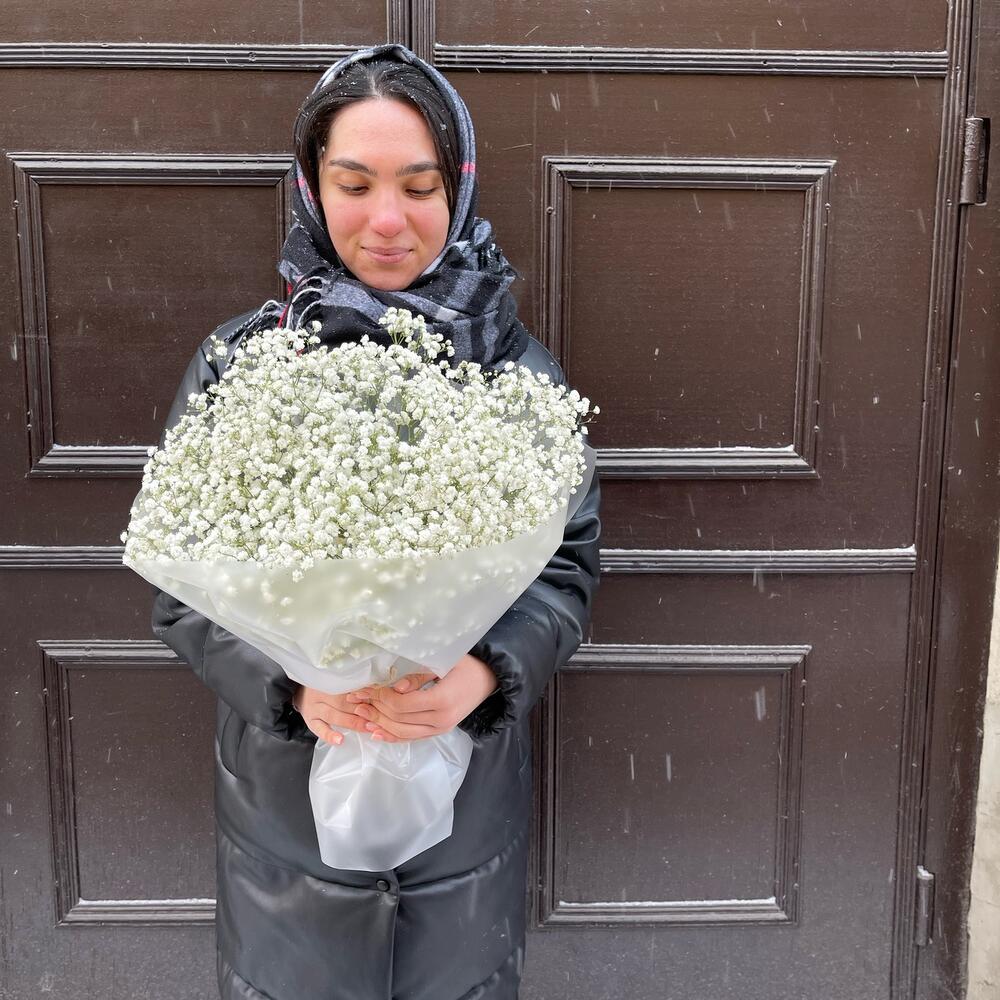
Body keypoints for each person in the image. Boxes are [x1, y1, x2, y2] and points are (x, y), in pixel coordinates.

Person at [149, 43, 601, 1000]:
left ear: (458, 191)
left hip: (465, 809)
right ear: (313, 189)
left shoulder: (518, 374)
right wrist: (290, 684)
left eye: (419, 187)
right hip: (282, 816)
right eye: (354, 185)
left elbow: (565, 570)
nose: (387, 220)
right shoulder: (242, 363)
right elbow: (180, 588)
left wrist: (485, 673)